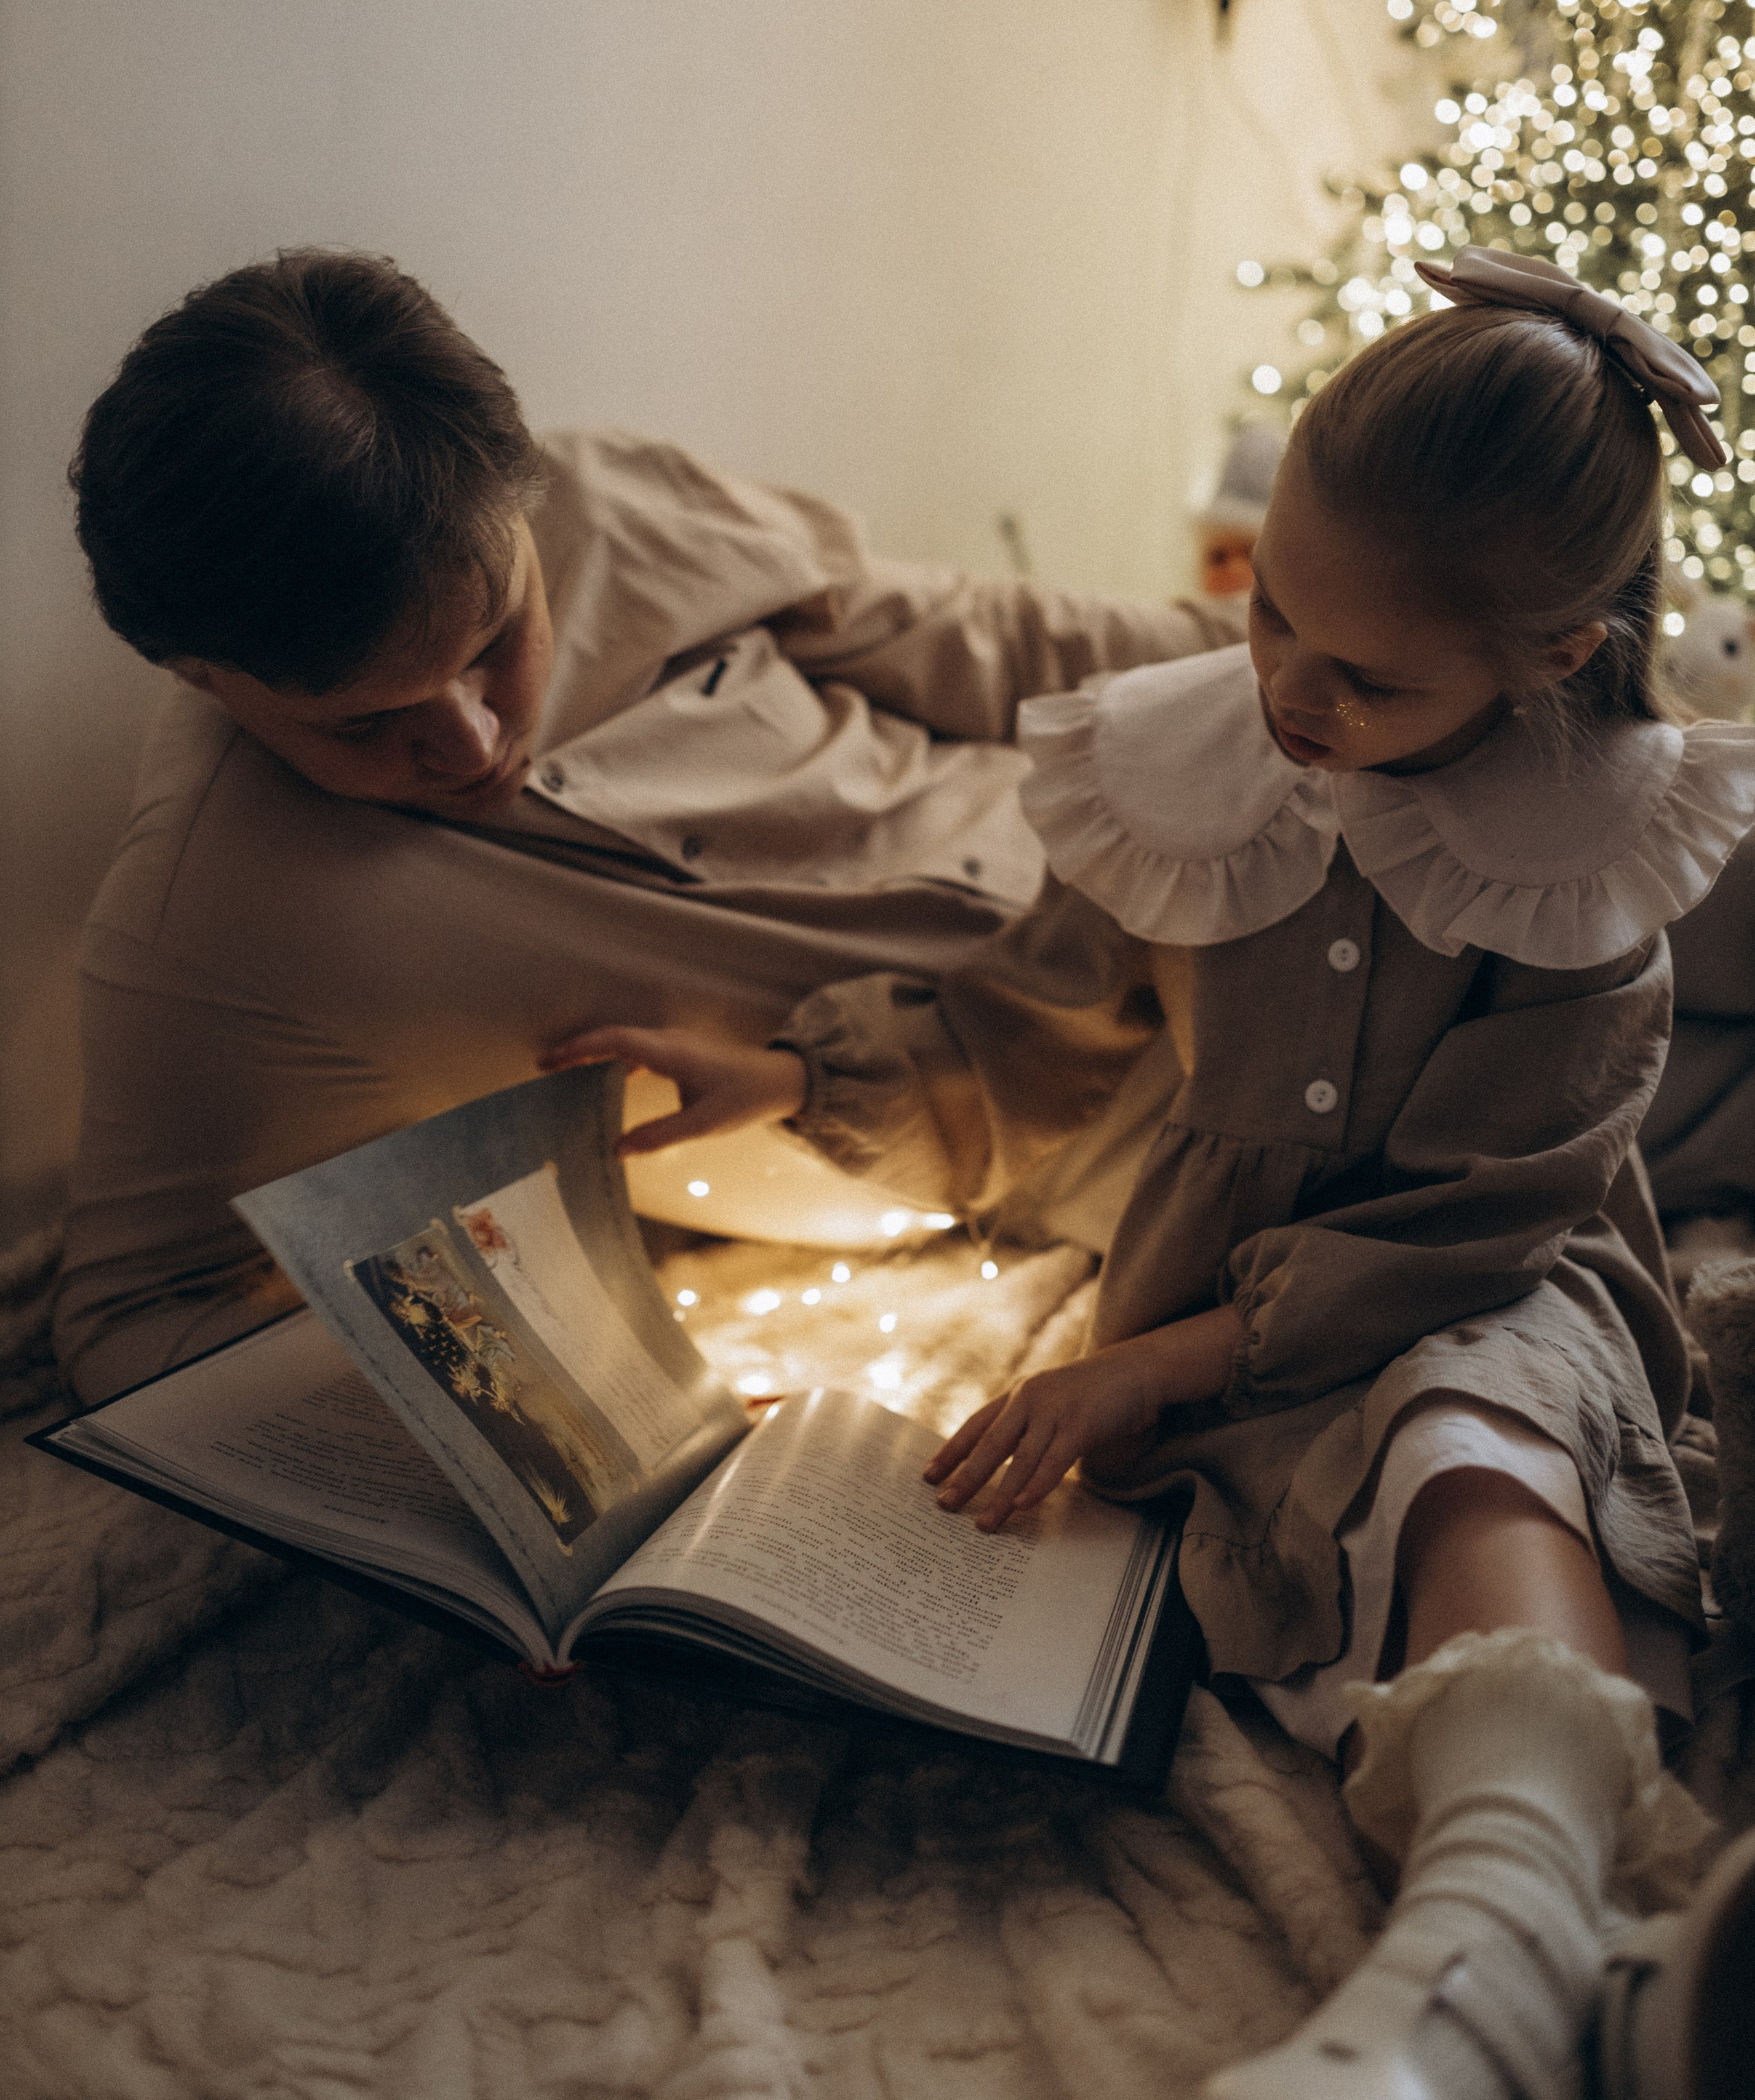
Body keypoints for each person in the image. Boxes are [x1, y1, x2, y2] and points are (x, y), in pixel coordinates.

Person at [545, 248, 1755, 2099]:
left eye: (1360, 676)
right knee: (1300, 1510)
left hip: (1475, 1289)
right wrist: (784, 1072)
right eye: (1269, 612)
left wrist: (1155, 1366)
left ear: (1556, 659)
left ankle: (1505, 1945)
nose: (1283, 686)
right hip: (1205, 1319)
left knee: (1472, 1430)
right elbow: (1023, 1032)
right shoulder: (1197, 762)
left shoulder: (1590, 859)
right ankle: (1534, 1958)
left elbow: (1478, 1227)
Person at [58, 248, 1245, 1406]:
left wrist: (1286, 665)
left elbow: (979, 639)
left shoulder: (602, 497)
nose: (473, 745)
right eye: (368, 726)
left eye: (494, 646)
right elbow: (126, 1323)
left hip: (1183, 852)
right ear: (203, 677)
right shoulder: (209, 929)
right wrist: (491, 1394)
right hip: (1066, 1124)